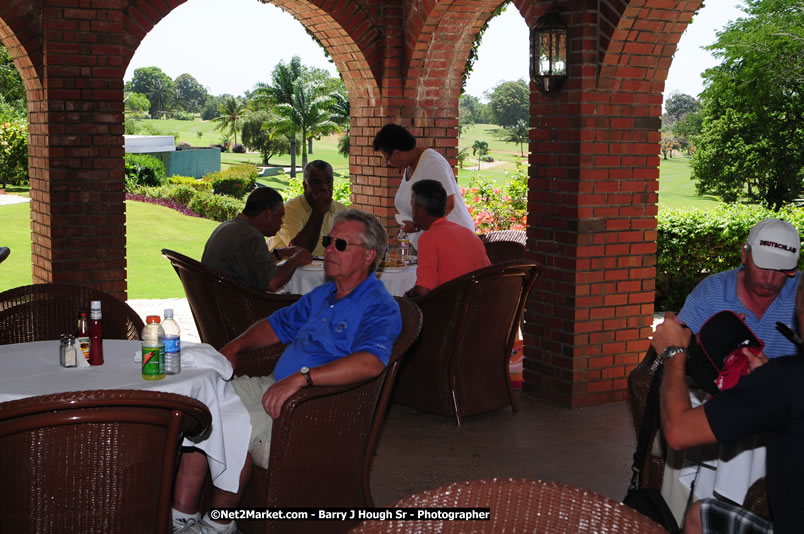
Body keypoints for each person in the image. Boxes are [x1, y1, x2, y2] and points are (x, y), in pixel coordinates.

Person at [172, 208, 403, 534]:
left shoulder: (380, 306)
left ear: (368, 256)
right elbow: (276, 326)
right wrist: (236, 346)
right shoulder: (324, 294)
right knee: (199, 407)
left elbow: (371, 362)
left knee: (225, 428)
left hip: (312, 404)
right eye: (328, 241)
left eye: (340, 244)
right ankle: (182, 515)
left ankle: (219, 525)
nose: (329, 250)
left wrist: (304, 378)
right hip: (273, 384)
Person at [652, 280, 804, 534]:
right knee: (699, 515)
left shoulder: (787, 380)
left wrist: (673, 355)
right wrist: (767, 379)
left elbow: (678, 432)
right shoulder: (782, 381)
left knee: (699, 514)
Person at [678, 218, 801, 358]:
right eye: (763, 265)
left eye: (781, 269)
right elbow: (675, 347)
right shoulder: (711, 292)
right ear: (744, 254)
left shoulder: (800, 294)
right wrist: (705, 338)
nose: (769, 279)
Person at [372, 123, 474, 249]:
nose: (387, 163)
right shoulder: (410, 165)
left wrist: (417, 226)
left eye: (387, 159)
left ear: (397, 153)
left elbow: (448, 203)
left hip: (453, 241)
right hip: (433, 241)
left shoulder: (431, 162)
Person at [201, 187, 312, 292]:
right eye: (280, 216)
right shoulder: (250, 235)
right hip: (234, 302)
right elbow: (272, 283)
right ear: (268, 215)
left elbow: (253, 264)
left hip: (216, 297)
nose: (282, 222)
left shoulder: (231, 226)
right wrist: (295, 259)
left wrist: (281, 253)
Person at [405, 179, 490, 298]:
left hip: (451, 306)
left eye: (412, 205)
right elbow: (489, 275)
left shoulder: (428, 238)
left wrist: (407, 296)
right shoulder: (469, 234)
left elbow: (423, 290)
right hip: (480, 304)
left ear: (420, 211)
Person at [269, 160, 347, 257]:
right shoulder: (289, 210)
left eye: (328, 181)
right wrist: (319, 210)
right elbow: (299, 250)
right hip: (289, 266)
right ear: (305, 185)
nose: (324, 187)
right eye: (317, 182)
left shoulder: (342, 211)